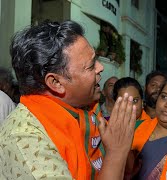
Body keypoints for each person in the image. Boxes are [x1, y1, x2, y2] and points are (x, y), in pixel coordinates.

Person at [0, 20, 136, 180]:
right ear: (56, 83)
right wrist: (116, 152)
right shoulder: (26, 140)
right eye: (91, 66)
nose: (101, 67)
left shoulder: (86, 107)